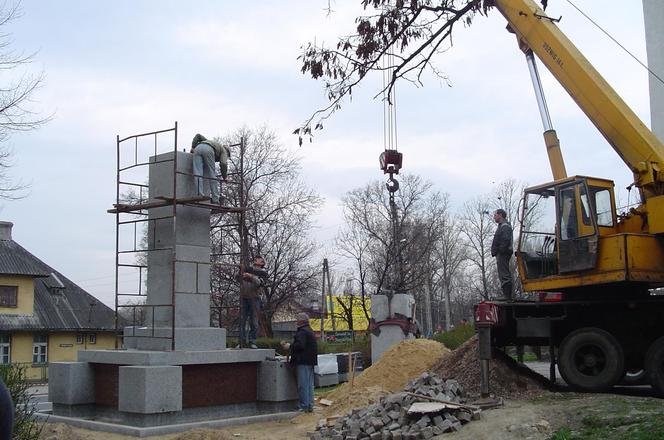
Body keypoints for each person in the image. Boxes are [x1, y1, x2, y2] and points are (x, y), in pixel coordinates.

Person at [281, 313, 317, 412]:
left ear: (302, 321)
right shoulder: (309, 331)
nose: (296, 321)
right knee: (309, 384)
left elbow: (300, 345)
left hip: (303, 361)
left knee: (303, 384)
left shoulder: (302, 332)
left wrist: (289, 346)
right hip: (310, 361)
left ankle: (304, 406)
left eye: (297, 319)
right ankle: (309, 405)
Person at [190, 133, 230, 204]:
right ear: (227, 152)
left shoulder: (209, 141)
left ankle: (199, 195)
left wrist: (193, 147)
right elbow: (223, 163)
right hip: (208, 150)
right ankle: (216, 199)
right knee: (212, 175)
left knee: (198, 174)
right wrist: (225, 177)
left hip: (198, 148)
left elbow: (198, 136)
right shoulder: (224, 151)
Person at [238, 255, 268, 349]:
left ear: (262, 263)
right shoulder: (248, 269)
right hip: (244, 298)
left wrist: (251, 277)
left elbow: (260, 283)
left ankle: (253, 341)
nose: (256, 259)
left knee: (254, 322)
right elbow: (238, 278)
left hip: (255, 299)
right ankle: (241, 342)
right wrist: (241, 271)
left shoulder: (263, 273)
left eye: (259, 259)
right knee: (242, 321)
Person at [491, 208, 514, 300]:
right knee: (502, 274)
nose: (494, 217)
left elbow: (505, 240)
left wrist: (500, 250)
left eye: (495, 215)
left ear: (500, 215)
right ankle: (506, 295)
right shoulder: (502, 226)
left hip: (503, 253)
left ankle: (507, 296)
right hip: (502, 253)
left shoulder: (505, 226)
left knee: (504, 274)